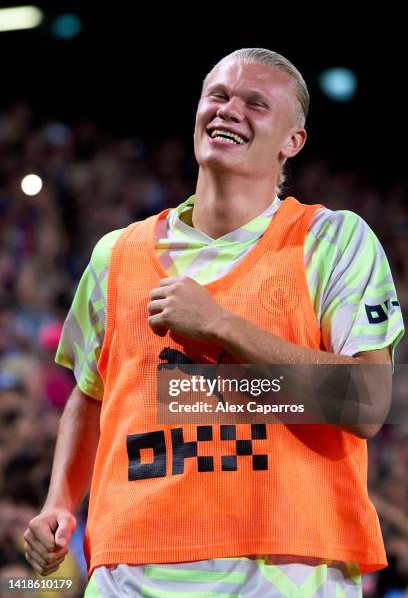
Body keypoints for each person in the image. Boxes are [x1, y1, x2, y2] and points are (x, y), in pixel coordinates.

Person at [24, 48, 404, 597]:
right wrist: (59, 502)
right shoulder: (116, 253)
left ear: (291, 143)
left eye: (256, 103)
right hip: (130, 569)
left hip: (282, 571)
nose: (230, 110)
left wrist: (222, 324)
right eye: (218, 96)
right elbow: (90, 395)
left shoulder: (332, 240)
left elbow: (368, 403)